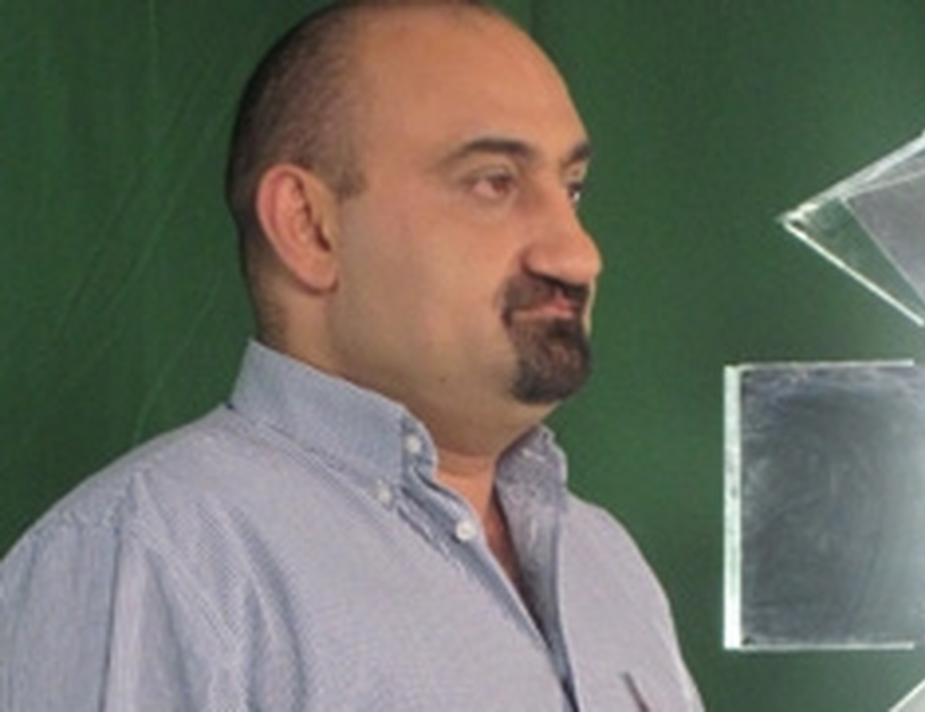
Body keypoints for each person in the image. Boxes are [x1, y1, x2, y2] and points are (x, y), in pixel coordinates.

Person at [0, 1, 703, 709]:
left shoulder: (606, 564)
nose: (578, 255)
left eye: (572, 188)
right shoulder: (153, 556)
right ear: (310, 227)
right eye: (493, 182)